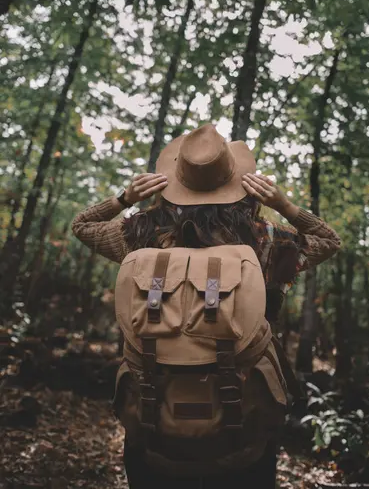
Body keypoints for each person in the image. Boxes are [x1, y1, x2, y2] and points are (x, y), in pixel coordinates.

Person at [72, 123, 341, 488]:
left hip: (153, 428)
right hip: (244, 427)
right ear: (239, 183)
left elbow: (82, 225)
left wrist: (124, 198)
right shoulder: (266, 240)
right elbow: (328, 240)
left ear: (174, 181)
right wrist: (285, 205)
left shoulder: (138, 235)